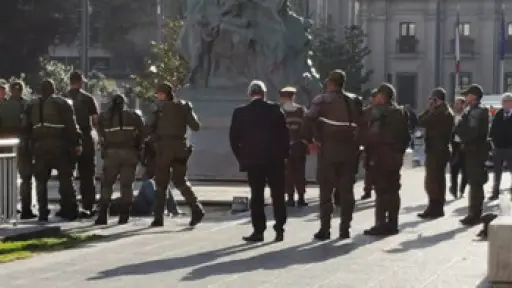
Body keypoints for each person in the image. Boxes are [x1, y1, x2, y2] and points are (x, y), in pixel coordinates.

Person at [303, 70, 364, 241]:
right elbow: (363, 124)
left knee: (326, 191)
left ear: (330, 83)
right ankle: (345, 228)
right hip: (350, 151)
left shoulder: (322, 100)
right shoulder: (355, 100)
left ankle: (325, 228)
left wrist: (310, 141)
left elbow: (308, 120)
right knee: (346, 191)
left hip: (329, 150)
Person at [230, 80, 289, 242]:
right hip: (275, 160)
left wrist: (242, 158)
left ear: (249, 94)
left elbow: (234, 140)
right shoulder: (275, 109)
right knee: (277, 194)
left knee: (257, 196)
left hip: (253, 161)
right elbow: (285, 136)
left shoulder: (240, 113)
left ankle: (259, 231)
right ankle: (279, 229)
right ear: (264, 94)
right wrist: (284, 156)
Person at [23, 80, 82, 221]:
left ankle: (43, 212)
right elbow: (71, 125)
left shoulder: (31, 105)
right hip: (59, 146)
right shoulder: (62, 103)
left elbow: (25, 127)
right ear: (54, 89)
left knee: (41, 181)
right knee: (66, 178)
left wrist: (28, 147)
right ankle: (70, 210)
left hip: (39, 147)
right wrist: (77, 143)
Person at [148, 82, 205, 227]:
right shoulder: (184, 106)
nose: (157, 96)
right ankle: (196, 208)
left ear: (163, 94)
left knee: (161, 183)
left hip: (163, 149)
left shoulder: (158, 108)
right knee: (180, 181)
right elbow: (196, 126)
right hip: (180, 147)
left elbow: (148, 128)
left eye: (159, 93)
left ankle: (158, 217)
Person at [363, 83, 410, 236]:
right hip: (395, 158)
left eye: (376, 96)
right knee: (394, 190)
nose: (374, 98)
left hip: (380, 157)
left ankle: (380, 224)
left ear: (382, 97)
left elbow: (373, 136)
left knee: (382, 191)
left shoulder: (378, 113)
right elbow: (406, 137)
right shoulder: (401, 112)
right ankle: (393, 223)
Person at [95, 94, 144, 225]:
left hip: (111, 154)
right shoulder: (134, 116)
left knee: (107, 185)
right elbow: (142, 133)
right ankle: (124, 216)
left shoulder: (104, 117)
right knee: (127, 186)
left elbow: (101, 135)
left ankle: (103, 215)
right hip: (130, 154)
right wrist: (138, 149)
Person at [64, 71, 99, 218]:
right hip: (85, 136)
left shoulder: (62, 98)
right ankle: (88, 206)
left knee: (66, 174)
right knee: (87, 174)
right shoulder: (88, 98)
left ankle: (69, 206)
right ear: (81, 82)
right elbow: (95, 119)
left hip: (67, 138)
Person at [455, 84, 490, 226]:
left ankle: (475, 214)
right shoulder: (471, 111)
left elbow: (471, 132)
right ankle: (473, 212)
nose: (465, 97)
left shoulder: (477, 112)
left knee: (476, 183)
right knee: (473, 182)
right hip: (472, 150)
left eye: (468, 95)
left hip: (476, 151)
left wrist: (460, 127)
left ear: (474, 96)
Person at [0, 81, 36, 219]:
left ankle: (7, 209)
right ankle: (26, 210)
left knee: (7, 178)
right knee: (26, 178)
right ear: (22, 90)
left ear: (9, 91)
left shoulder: (3, 106)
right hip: (24, 144)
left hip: (5, 145)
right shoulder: (29, 105)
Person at [417, 88, 454, 219]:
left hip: (439, 150)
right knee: (433, 180)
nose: (431, 102)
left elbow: (424, 121)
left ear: (437, 99)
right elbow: (420, 120)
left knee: (435, 180)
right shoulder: (438, 111)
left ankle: (436, 207)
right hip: (434, 149)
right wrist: (429, 109)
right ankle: (434, 205)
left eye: (433, 99)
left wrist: (430, 110)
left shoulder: (444, 112)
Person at [279, 86, 308, 208]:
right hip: (299, 147)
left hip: (284, 148)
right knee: (300, 173)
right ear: (293, 97)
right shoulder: (301, 110)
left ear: (283, 98)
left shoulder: (279, 111)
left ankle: (290, 198)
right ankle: (301, 198)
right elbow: (307, 128)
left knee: (287, 173)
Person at [488, 93, 512, 200]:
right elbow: (493, 129)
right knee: (497, 171)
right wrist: (493, 141)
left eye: (507, 101)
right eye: (503, 102)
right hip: (498, 147)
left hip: (510, 147)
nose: (505, 104)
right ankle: (495, 192)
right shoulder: (498, 114)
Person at [361, 89, 378, 201]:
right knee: (368, 167)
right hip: (369, 144)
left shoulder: (384, 111)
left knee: (377, 169)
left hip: (379, 145)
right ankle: (367, 190)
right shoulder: (366, 111)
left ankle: (377, 190)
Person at [450, 97, 468, 199]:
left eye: (458, 103)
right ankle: (454, 189)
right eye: (455, 103)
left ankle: (462, 190)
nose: (456, 105)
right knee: (454, 169)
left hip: (464, 145)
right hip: (454, 145)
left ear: (462, 104)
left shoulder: (466, 116)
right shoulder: (451, 116)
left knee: (465, 170)